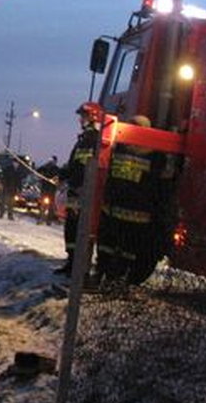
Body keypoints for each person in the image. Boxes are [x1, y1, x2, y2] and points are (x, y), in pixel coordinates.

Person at [96, 115, 157, 285]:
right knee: (121, 248)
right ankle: (112, 278)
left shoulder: (120, 149)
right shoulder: (153, 155)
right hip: (131, 211)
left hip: (118, 208)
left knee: (116, 247)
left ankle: (107, 276)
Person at [55, 102, 102, 276]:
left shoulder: (96, 140)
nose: (80, 120)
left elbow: (87, 167)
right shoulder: (82, 140)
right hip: (75, 191)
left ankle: (79, 268)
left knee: (81, 230)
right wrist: (62, 176)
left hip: (85, 193)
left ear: (92, 117)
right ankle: (71, 263)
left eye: (83, 116)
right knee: (71, 228)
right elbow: (74, 164)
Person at [36, 155, 60, 225]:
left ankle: (48, 220)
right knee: (43, 205)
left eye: (53, 161)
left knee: (50, 207)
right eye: (50, 160)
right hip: (44, 189)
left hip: (51, 190)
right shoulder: (45, 167)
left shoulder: (56, 169)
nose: (51, 162)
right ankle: (41, 219)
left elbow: (58, 178)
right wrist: (44, 166)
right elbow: (38, 170)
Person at [0, 156, 24, 221]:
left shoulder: (18, 171)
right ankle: (1, 214)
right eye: (15, 163)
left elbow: (19, 181)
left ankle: (10, 215)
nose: (16, 164)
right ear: (13, 163)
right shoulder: (8, 169)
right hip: (6, 188)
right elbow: (4, 178)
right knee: (4, 202)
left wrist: (20, 189)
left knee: (11, 204)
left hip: (13, 190)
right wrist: (3, 184)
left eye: (17, 163)